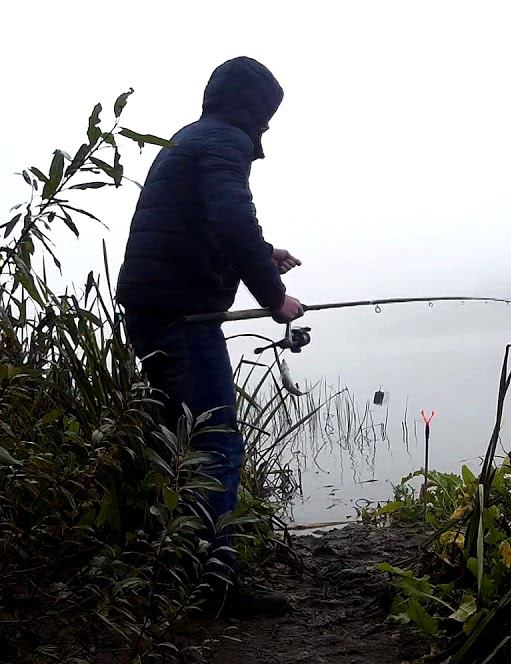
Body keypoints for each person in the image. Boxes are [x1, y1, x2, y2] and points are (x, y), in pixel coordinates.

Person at [116, 57, 304, 617]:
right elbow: (230, 218)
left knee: (184, 447)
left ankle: (179, 572)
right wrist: (275, 298)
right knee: (217, 444)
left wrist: (263, 254)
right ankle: (214, 586)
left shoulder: (191, 138)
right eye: (266, 116)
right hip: (182, 319)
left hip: (152, 311)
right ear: (251, 109)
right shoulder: (226, 141)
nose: (266, 128)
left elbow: (197, 222)